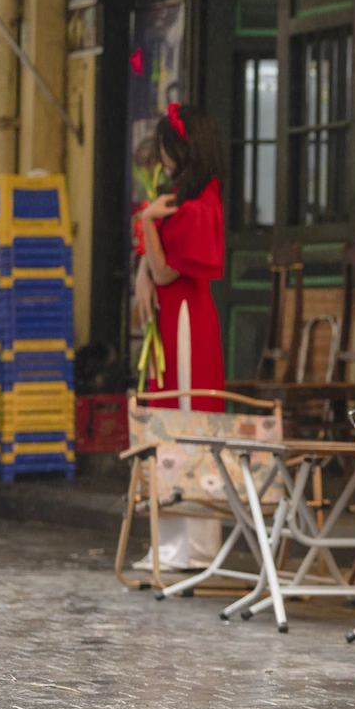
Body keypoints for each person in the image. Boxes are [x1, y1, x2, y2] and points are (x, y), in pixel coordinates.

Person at [133, 103, 228, 569]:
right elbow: (150, 269)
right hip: (173, 322)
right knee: (169, 421)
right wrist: (141, 274)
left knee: (188, 422)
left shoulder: (200, 203)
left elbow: (165, 270)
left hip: (187, 320)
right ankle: (166, 542)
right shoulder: (182, 198)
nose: (162, 158)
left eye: (167, 149)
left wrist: (148, 223)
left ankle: (192, 546)